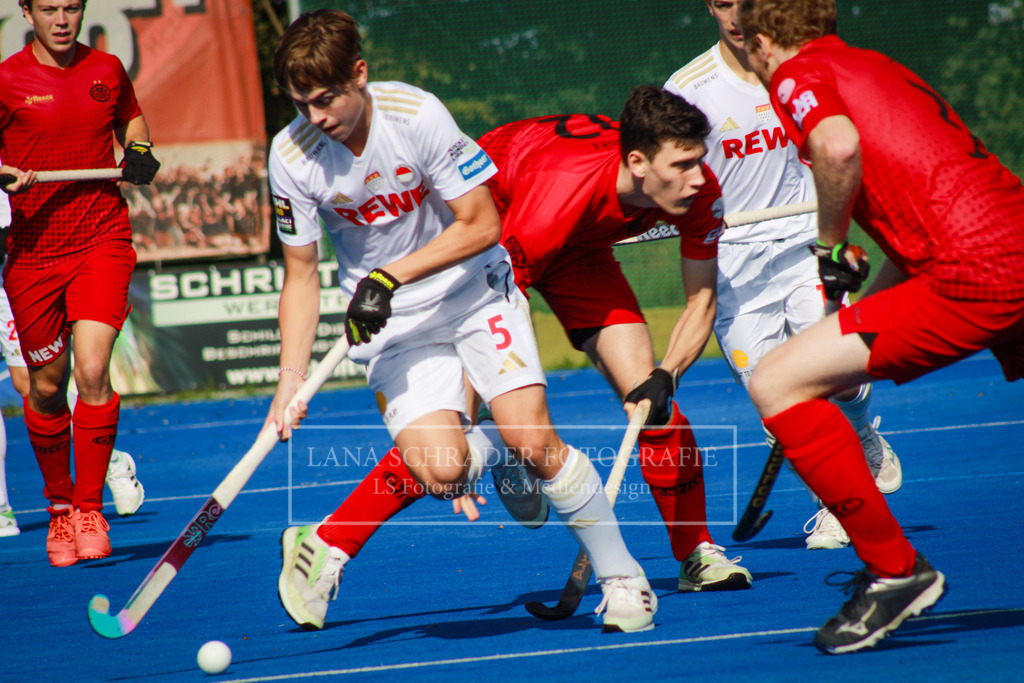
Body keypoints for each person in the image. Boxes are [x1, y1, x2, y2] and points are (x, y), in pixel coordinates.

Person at [271, 83, 757, 607]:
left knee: (651, 402)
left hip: (580, 244)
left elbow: (701, 300)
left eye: (696, 163)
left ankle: (695, 551)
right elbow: (486, 317)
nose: (699, 178)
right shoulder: (556, 195)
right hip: (492, 235)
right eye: (682, 166)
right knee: (447, 459)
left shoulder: (698, 188)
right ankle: (345, 532)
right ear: (639, 162)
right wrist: (465, 419)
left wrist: (666, 374)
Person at [266, 10, 656, 634]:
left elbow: (481, 224)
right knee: (443, 472)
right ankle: (493, 451)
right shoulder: (291, 155)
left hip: (475, 292)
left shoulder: (416, 115)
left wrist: (391, 277)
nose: (316, 117)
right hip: (391, 326)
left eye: (326, 99)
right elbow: (302, 274)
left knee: (537, 439)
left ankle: (625, 581)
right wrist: (290, 377)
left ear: (359, 75)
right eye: (301, 103)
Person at [737, 0, 1024, 654]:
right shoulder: (871, 64)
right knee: (806, 369)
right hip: (1011, 239)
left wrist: (830, 249)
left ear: (760, 42)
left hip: (978, 272)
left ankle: (896, 572)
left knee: (775, 381)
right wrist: (848, 331)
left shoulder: (794, 74)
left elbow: (837, 147)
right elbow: (923, 207)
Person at [664, 0, 901, 550]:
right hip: (732, 266)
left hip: (804, 246)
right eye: (723, 3)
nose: (735, 15)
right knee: (778, 406)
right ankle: (836, 499)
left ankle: (859, 443)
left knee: (837, 376)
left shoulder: (803, 70)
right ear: (709, 7)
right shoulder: (689, 88)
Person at [0, 0, 160, 566]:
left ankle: (90, 509)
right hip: (33, 252)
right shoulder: (6, 80)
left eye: (72, 7)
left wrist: (138, 149)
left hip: (101, 241)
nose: (62, 19)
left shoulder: (107, 70)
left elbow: (132, 122)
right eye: (49, 9)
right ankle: (60, 510)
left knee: (92, 368)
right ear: (26, 11)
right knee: (45, 386)